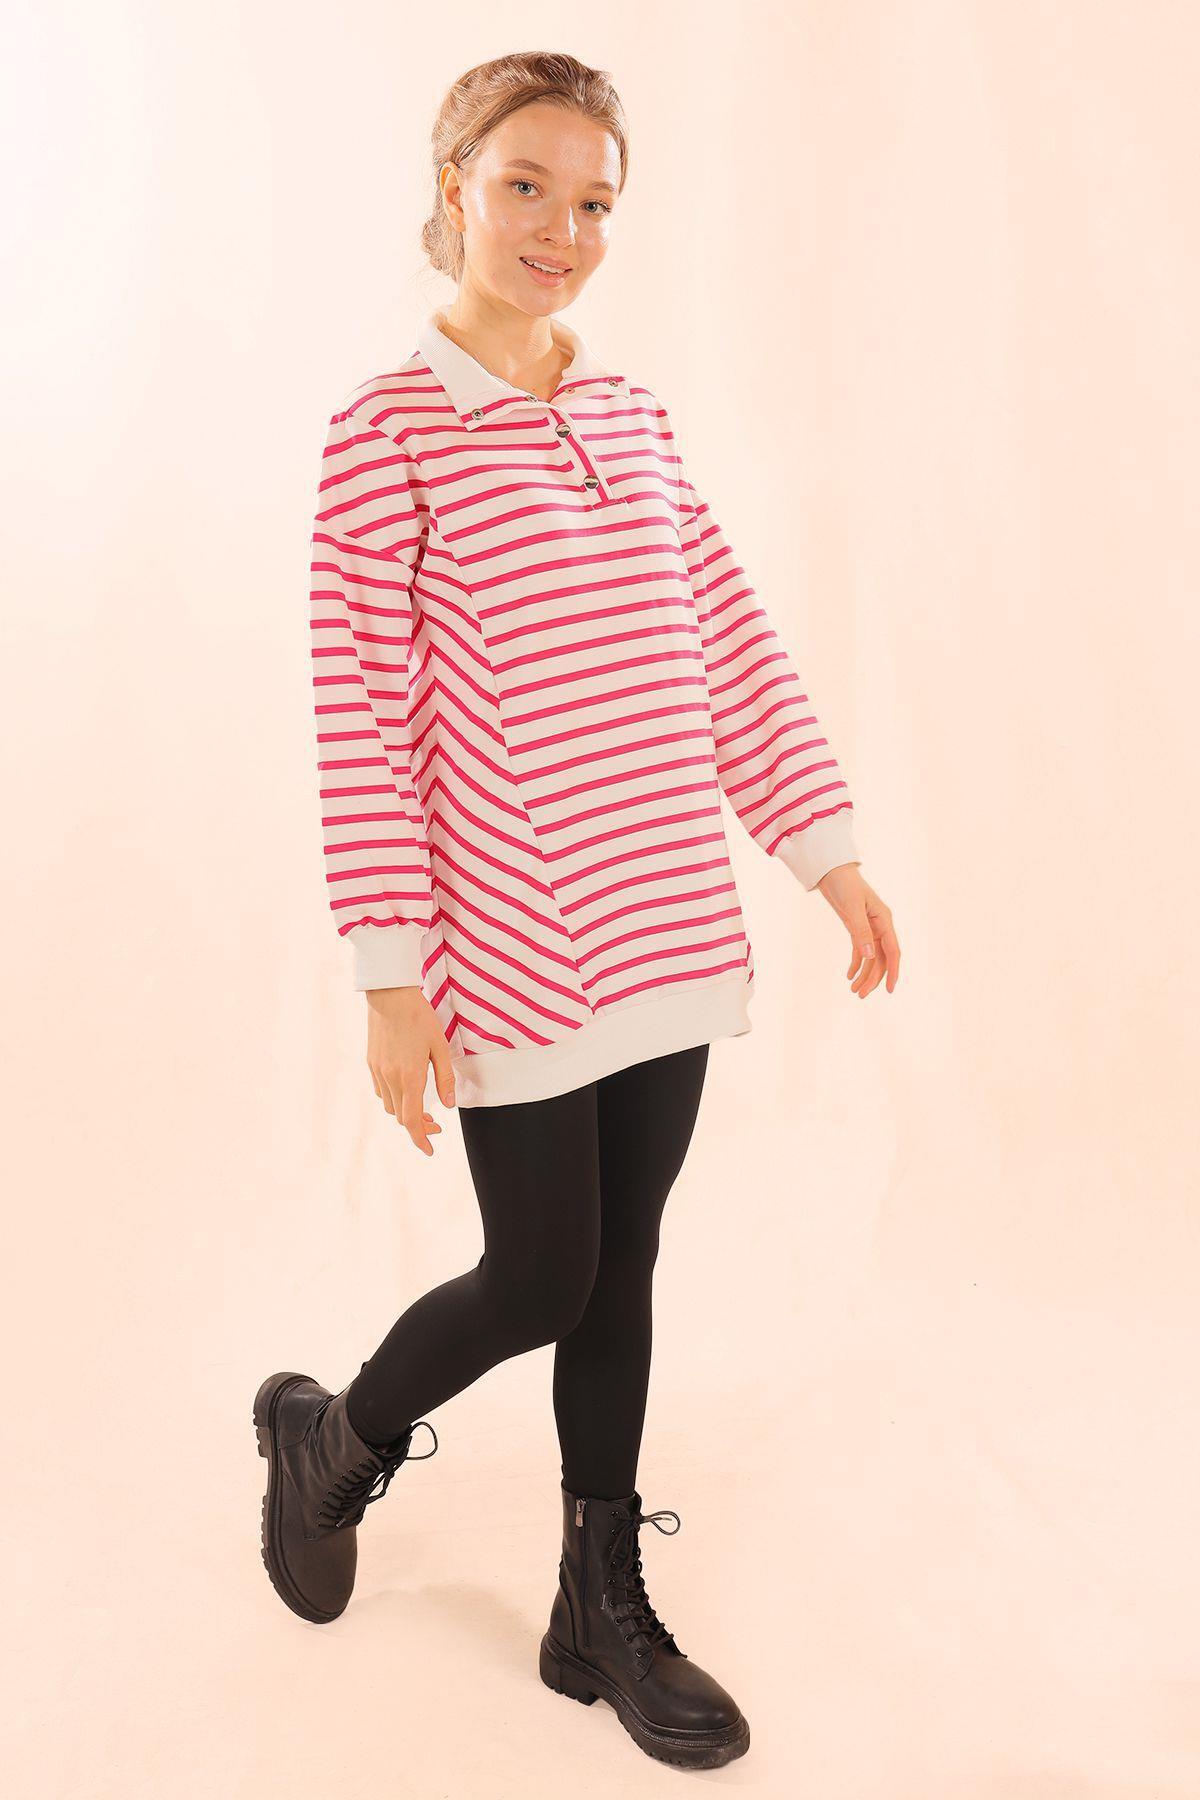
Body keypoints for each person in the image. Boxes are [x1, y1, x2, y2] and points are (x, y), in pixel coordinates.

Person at [253, 50, 899, 1771]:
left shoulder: (631, 416)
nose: (561, 228)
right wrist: (390, 977)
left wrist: (824, 849)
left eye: (595, 200)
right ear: (456, 184)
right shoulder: (384, 431)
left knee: (625, 1267)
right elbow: (358, 718)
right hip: (519, 937)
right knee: (542, 1271)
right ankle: (335, 1440)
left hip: (669, 914)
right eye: (526, 186)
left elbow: (728, 638)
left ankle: (594, 1605)